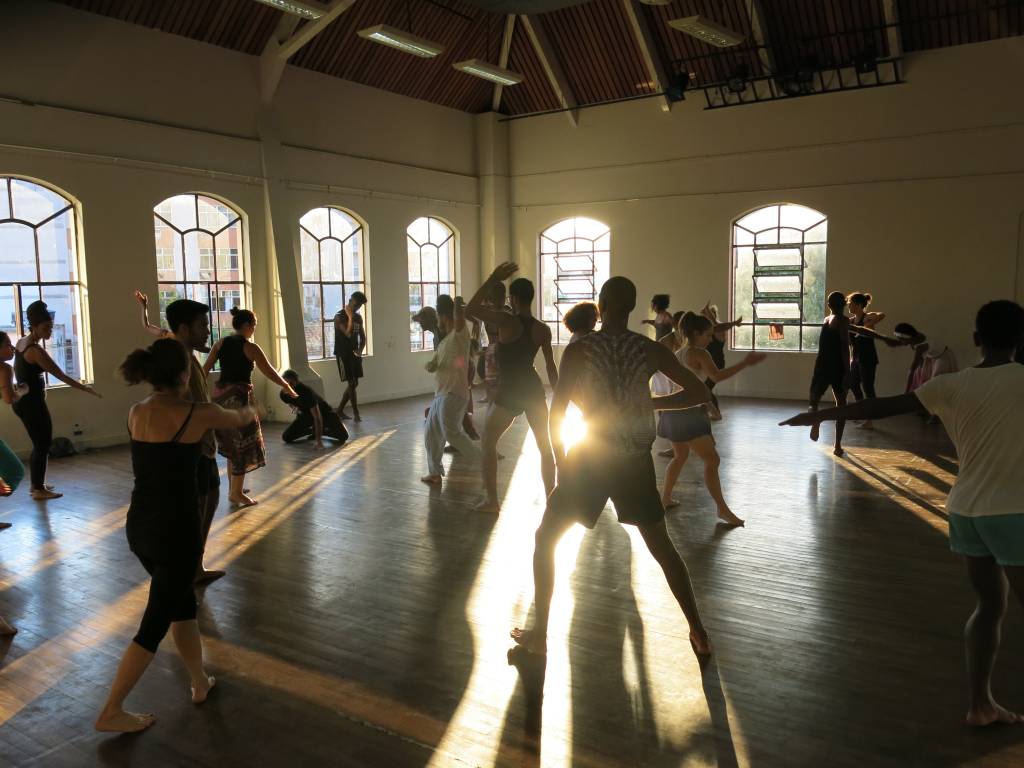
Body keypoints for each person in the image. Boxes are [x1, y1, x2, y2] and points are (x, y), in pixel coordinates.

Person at [781, 300, 1024, 727]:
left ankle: (981, 705)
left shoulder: (950, 385)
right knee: (996, 606)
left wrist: (820, 413)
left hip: (967, 511)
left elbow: (880, 406)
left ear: (975, 339)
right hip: (1013, 512)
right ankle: (982, 706)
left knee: (990, 605)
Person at [511, 276, 714, 659]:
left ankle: (539, 637)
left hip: (590, 457)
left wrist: (558, 462)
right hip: (634, 460)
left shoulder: (580, 350)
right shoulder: (648, 348)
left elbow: (559, 411)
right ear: (633, 307)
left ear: (601, 306)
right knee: (662, 547)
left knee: (545, 540)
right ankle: (699, 632)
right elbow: (699, 392)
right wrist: (650, 404)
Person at [95, 338, 258, 733]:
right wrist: (256, 408)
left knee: (181, 605)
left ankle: (199, 680)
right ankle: (112, 710)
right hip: (176, 533)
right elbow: (236, 420)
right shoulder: (196, 413)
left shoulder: (136, 411)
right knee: (154, 623)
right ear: (185, 374)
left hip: (140, 528)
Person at [654, 312, 765, 525]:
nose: (710, 338)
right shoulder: (699, 353)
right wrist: (745, 363)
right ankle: (722, 510)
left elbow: (691, 385)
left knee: (680, 456)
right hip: (687, 415)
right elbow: (717, 377)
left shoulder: (680, 352)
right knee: (712, 460)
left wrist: (707, 405)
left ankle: (665, 498)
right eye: (707, 334)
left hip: (676, 412)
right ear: (696, 333)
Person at [466, 264, 558, 514]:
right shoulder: (542, 329)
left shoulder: (506, 321)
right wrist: (559, 394)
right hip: (533, 389)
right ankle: (552, 502)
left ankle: (492, 501)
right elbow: (550, 365)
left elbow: (471, 309)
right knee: (544, 446)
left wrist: (493, 277)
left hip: (510, 392)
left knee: (488, 442)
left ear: (513, 299)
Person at [163, 299, 228, 584]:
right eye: (203, 325)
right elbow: (177, 408)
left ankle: (195, 567)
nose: (207, 331)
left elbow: (201, 403)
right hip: (190, 451)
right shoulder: (177, 364)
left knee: (210, 501)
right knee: (196, 510)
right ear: (183, 327)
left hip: (204, 448)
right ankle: (187, 569)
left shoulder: (190, 359)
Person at [204, 307, 296, 507]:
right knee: (243, 446)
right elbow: (270, 372)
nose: (254, 329)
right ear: (246, 325)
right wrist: (287, 386)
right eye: (254, 325)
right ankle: (236, 493)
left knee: (231, 445)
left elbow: (204, 370)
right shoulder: (250, 348)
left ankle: (233, 488)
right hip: (238, 402)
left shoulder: (220, 343)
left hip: (220, 400)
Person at [12, 300, 101, 500]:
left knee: (40, 443)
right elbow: (61, 375)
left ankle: (37, 484)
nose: (50, 331)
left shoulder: (21, 343)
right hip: (31, 403)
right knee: (42, 443)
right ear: (34, 326)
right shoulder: (35, 351)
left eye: (51, 327)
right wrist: (85, 388)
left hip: (24, 402)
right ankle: (37, 489)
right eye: (46, 327)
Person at [421, 296, 481, 485]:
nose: (436, 320)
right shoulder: (444, 341)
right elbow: (439, 364)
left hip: (453, 394)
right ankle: (435, 473)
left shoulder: (459, 335)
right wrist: (432, 365)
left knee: (451, 433)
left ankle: (484, 462)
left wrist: (455, 305)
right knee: (431, 433)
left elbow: (460, 319)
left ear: (443, 316)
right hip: (441, 394)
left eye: (438, 315)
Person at [847, 292, 886, 430]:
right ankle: (861, 411)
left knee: (868, 387)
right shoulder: (851, 321)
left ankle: (870, 419)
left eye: (850, 303)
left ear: (857, 305)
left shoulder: (866, 318)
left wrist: (869, 324)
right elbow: (851, 344)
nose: (848, 306)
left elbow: (882, 315)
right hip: (857, 358)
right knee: (852, 383)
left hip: (868, 359)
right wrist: (851, 359)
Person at [279, 370, 348, 447]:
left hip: (325, 413)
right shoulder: (283, 394)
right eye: (285, 384)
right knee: (286, 437)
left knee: (343, 436)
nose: (288, 387)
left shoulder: (306, 392)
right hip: (306, 416)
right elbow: (290, 402)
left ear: (297, 382)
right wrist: (295, 408)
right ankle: (312, 430)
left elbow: (317, 417)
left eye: (291, 384)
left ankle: (322, 431)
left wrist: (318, 441)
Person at [699, 303, 743, 421]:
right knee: (703, 388)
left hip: (716, 364)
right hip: (706, 363)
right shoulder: (707, 331)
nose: (705, 318)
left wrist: (709, 314)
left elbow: (717, 326)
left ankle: (716, 413)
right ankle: (707, 411)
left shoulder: (719, 330)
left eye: (708, 316)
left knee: (706, 388)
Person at [334, 292, 368, 422]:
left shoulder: (358, 318)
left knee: (354, 383)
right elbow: (348, 333)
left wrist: (360, 350)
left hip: (354, 354)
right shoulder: (339, 317)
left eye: (360, 305)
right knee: (352, 383)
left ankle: (339, 410)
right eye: (356, 304)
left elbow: (363, 337)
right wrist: (349, 317)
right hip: (343, 354)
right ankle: (356, 413)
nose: (357, 307)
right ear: (350, 300)